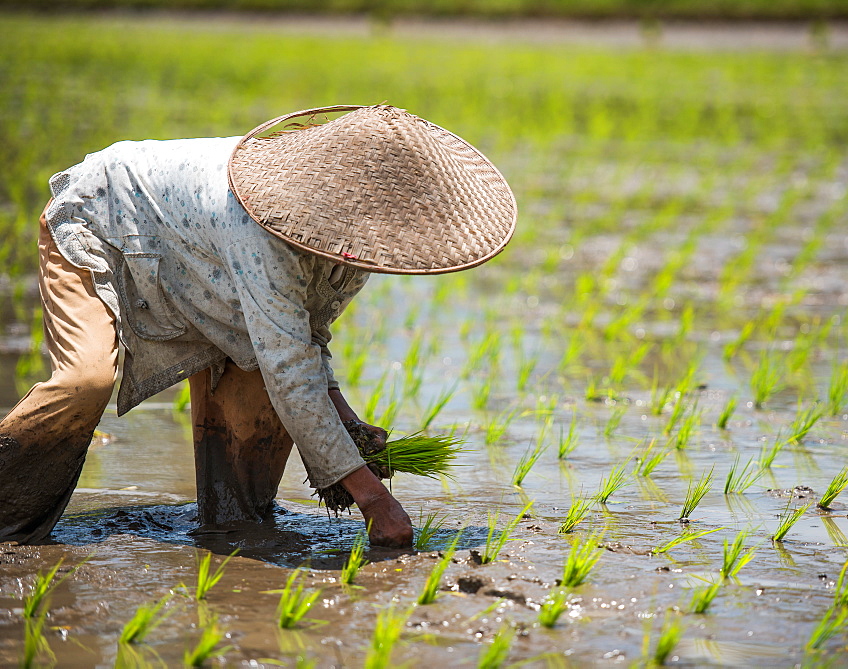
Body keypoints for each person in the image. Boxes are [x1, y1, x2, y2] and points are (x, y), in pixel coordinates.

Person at [0, 104, 517, 548]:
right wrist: (375, 500)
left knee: (252, 445)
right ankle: (10, 516)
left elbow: (305, 340)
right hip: (106, 222)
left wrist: (348, 422)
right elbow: (290, 370)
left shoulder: (358, 244)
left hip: (204, 272)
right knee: (83, 381)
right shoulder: (264, 226)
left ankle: (227, 528)